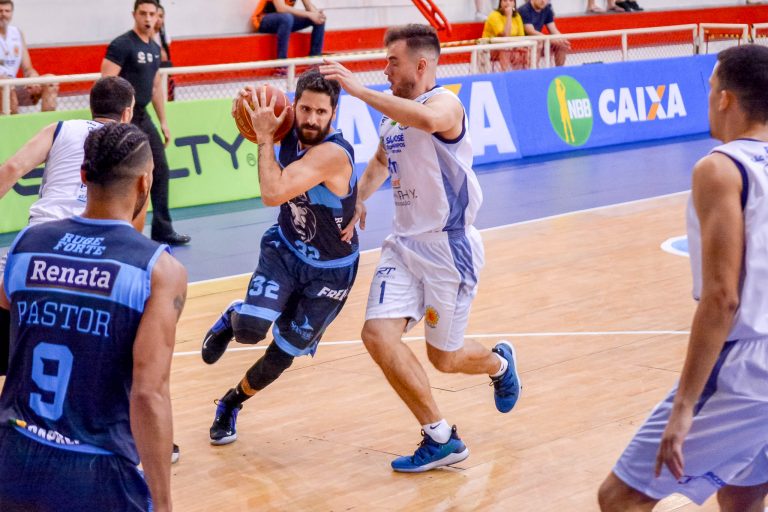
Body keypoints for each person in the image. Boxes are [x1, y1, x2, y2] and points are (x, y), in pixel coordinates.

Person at [319, 24, 522, 473]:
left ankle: (499, 365)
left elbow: (428, 122)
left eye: (392, 62)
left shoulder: (445, 104)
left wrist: (358, 91)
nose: (385, 70)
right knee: (376, 335)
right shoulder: (393, 116)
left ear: (422, 65)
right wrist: (357, 200)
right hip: (404, 245)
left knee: (444, 358)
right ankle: (440, 436)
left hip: (449, 247)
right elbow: (380, 160)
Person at [598, 44, 768, 511]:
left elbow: (722, 297)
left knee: (620, 498)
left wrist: (684, 405)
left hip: (747, 366)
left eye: (711, 87)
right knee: (742, 496)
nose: (708, 96)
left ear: (725, 98)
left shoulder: (720, 167)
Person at [0, 122, 187, 512]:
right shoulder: (158, 270)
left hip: (12, 454)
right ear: (145, 182)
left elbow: (8, 302)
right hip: (94, 471)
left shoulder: (26, 244)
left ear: (83, 176)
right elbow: (149, 394)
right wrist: (165, 503)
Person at [202, 70, 359, 446]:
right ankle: (234, 316)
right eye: (305, 109)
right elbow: (254, 108)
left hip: (330, 273)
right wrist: (248, 103)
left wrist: (264, 138)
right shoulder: (287, 125)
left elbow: (272, 193)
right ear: (293, 105)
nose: (312, 119)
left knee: (281, 355)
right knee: (249, 330)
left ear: (333, 114)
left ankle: (230, 403)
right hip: (285, 250)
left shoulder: (332, 154)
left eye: (321, 112)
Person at [101, 0, 190, 246]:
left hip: (143, 116)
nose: (148, 18)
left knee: (160, 169)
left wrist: (163, 122)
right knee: (121, 176)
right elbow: (105, 83)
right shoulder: (122, 44)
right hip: (122, 117)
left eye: (152, 14)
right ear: (134, 15)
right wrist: (112, 121)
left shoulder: (154, 47)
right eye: (143, 13)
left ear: (158, 16)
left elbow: (155, 87)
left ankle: (163, 230)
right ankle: (118, 230)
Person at [0, 0, 57, 114]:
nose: (3, 14)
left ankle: (47, 122)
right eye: (0, 11)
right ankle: (12, 123)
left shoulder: (17, 33)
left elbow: (27, 68)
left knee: (51, 81)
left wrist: (33, 78)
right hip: (3, 86)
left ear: (11, 13)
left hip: (13, 84)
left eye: (7, 11)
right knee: (7, 87)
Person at [251, 0, 326, 74]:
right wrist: (309, 14)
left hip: (285, 21)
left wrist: (317, 14)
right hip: (263, 20)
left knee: (320, 19)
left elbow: (309, 7)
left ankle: (314, 63)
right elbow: (281, 8)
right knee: (287, 18)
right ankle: (281, 65)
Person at [519, 0, 570, 67]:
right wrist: (548, 39)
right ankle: (534, 70)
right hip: (524, 43)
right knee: (538, 42)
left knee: (562, 45)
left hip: (541, 40)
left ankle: (559, 70)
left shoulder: (547, 9)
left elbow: (553, 30)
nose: (543, 1)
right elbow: (530, 31)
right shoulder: (524, 10)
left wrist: (562, 39)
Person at [482, 0, 528, 71]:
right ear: (500, 3)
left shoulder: (517, 16)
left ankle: (521, 75)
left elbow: (521, 37)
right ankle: (505, 75)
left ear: (514, 3)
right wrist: (509, 16)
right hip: (489, 49)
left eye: (511, 1)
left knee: (524, 52)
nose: (508, 3)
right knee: (505, 50)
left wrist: (518, 48)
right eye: (505, 0)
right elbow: (505, 36)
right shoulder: (494, 15)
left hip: (510, 47)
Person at [152, 3, 175, 101]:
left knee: (168, 97)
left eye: (161, 16)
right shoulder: (146, 37)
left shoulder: (164, 36)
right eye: (156, 16)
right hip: (153, 72)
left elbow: (166, 54)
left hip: (165, 71)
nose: (158, 19)